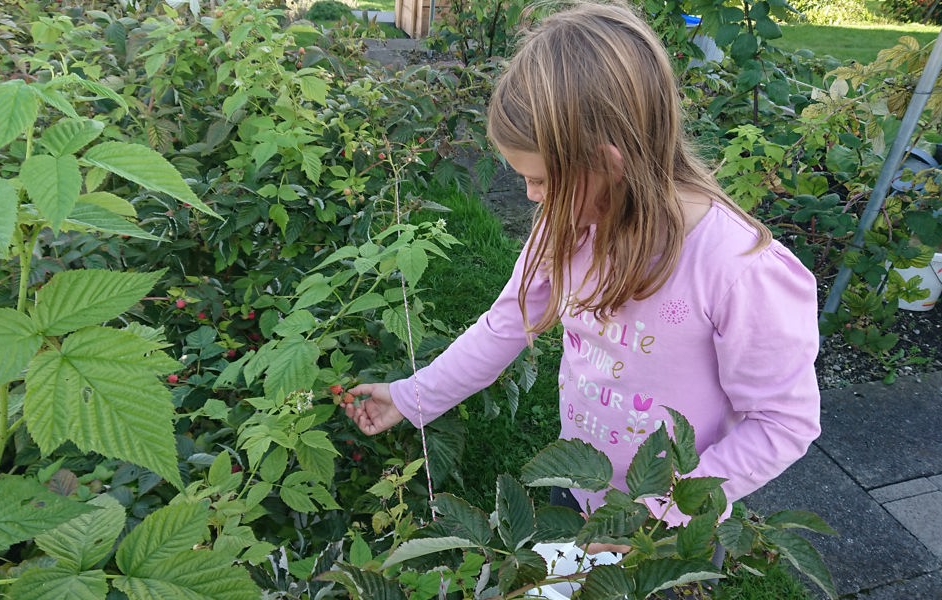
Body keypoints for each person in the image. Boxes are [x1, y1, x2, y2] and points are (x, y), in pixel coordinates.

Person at [345, 0, 821, 528]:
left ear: (608, 164)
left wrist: (658, 514)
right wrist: (412, 398)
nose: (530, 196)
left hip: (666, 524)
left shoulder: (738, 270)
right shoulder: (567, 228)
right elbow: (506, 325)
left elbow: (783, 422)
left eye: (543, 180)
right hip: (580, 482)